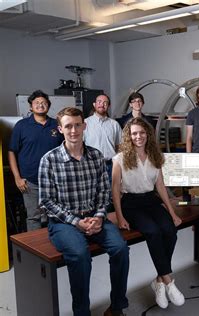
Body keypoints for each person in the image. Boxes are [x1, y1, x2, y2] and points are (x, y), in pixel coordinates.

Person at [38, 107, 129, 316]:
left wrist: (98, 216)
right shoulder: (49, 160)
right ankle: (81, 312)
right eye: (68, 126)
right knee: (79, 255)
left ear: (84, 126)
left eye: (77, 125)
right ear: (60, 129)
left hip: (94, 217)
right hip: (63, 223)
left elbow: (104, 191)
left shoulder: (96, 156)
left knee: (121, 249)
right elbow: (46, 201)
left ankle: (117, 307)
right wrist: (75, 222)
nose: (73, 130)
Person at [111, 117, 185, 309]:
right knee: (152, 231)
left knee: (169, 230)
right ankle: (169, 282)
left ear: (148, 135)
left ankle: (159, 280)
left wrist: (172, 212)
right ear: (129, 136)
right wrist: (119, 216)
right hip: (131, 203)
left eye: (142, 133)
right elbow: (115, 189)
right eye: (134, 133)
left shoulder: (155, 155)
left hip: (150, 200)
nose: (138, 136)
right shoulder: (119, 158)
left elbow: (160, 185)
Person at [8, 90, 64, 231]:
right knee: (34, 217)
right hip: (30, 181)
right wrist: (17, 178)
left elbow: (66, 149)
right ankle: (36, 251)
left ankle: (54, 246)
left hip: (54, 180)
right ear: (30, 107)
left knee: (56, 215)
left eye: (44, 102)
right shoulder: (22, 126)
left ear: (49, 106)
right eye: (37, 103)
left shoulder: (56, 125)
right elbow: (12, 152)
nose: (40, 105)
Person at [83, 94, 122, 180]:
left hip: (111, 166)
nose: (102, 104)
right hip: (91, 165)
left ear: (108, 106)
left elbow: (119, 146)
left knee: (111, 192)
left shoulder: (114, 124)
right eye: (99, 102)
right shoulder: (85, 123)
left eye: (105, 103)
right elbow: (80, 146)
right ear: (94, 104)